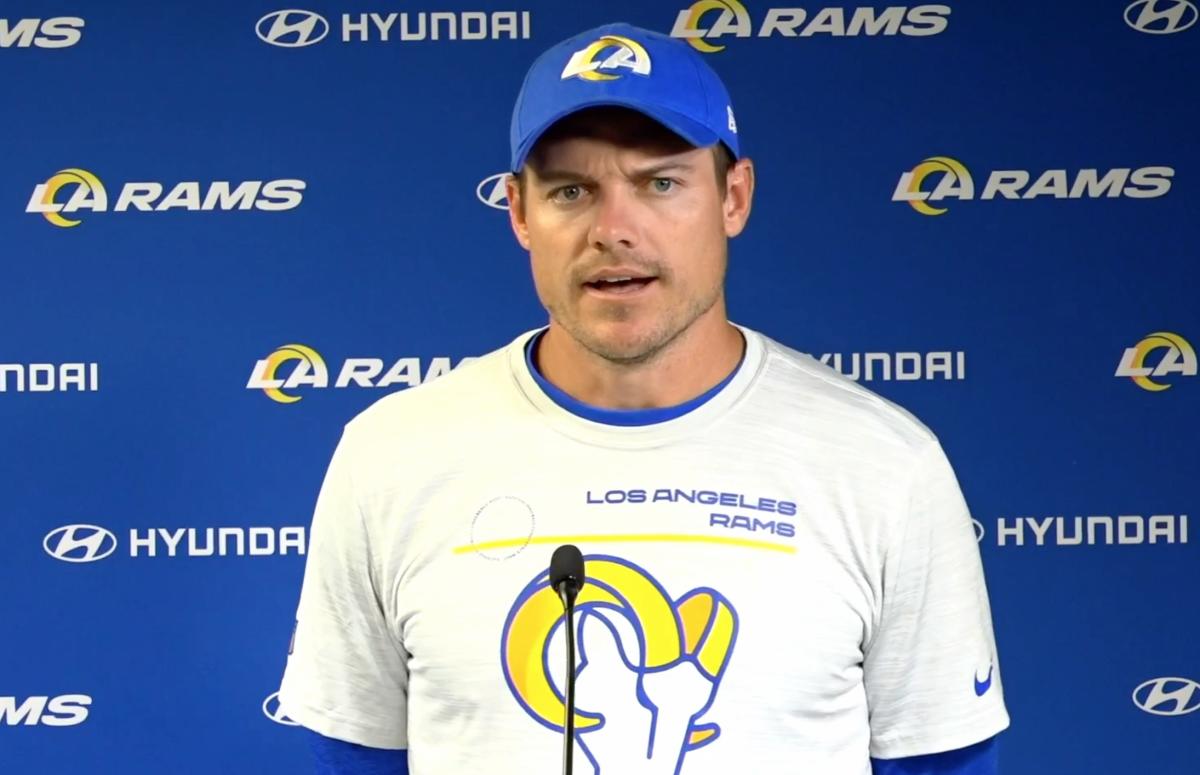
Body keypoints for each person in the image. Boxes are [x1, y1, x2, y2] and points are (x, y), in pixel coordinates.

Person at [277, 21, 1009, 775]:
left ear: (733, 197)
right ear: (520, 213)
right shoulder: (390, 456)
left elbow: (940, 761)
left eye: (660, 183)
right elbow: (353, 755)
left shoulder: (885, 465)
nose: (614, 230)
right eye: (571, 191)